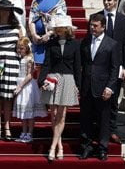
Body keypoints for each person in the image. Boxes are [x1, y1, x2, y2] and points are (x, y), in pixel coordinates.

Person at [78, 13, 120, 161]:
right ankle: (86, 147)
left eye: (95, 26)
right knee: (85, 119)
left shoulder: (112, 44)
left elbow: (115, 69)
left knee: (103, 119)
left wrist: (110, 87)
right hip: (87, 87)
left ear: (103, 27)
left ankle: (103, 148)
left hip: (103, 88)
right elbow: (81, 64)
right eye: (91, 25)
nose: (92, 28)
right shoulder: (85, 42)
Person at [38, 15, 81, 162]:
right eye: (57, 28)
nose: (59, 30)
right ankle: (59, 145)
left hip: (68, 79)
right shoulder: (51, 44)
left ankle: (53, 146)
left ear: (67, 29)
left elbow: (77, 66)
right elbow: (46, 63)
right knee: (54, 114)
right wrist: (41, 80)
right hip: (52, 79)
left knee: (61, 115)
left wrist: (78, 85)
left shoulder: (75, 44)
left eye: (61, 27)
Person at [95, 0, 125, 144]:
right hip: (100, 66)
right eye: (105, 0)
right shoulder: (96, 17)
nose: (107, 2)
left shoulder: (123, 20)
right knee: (99, 98)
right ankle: (98, 129)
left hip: (117, 65)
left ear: (115, 1)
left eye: (110, 0)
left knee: (114, 99)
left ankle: (112, 129)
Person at [0, 0, 24, 142]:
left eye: (7, 10)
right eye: (2, 9)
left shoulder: (17, 27)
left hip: (13, 62)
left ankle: (7, 127)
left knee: (8, 97)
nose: (5, 12)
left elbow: (23, 45)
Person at [13, 37, 47, 143]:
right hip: (20, 84)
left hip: (27, 86)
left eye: (22, 48)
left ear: (27, 48)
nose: (19, 50)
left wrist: (20, 86)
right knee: (23, 112)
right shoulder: (19, 58)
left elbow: (30, 75)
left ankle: (30, 133)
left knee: (30, 112)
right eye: (18, 48)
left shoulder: (29, 59)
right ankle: (23, 132)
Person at [28, 0, 67, 65]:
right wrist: (34, 34)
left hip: (53, 40)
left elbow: (61, 21)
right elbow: (31, 19)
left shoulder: (60, 0)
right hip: (37, 41)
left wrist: (49, 34)